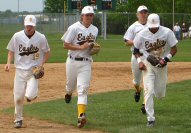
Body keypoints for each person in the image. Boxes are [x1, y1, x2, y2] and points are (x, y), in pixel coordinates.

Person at [4, 15, 50, 128]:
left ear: (34, 26)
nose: (29, 28)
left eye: (31, 26)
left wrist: (41, 65)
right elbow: (11, 51)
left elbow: (47, 52)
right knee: (18, 98)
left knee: (30, 95)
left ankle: (31, 95)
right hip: (19, 71)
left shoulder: (41, 37)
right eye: (27, 25)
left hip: (33, 72)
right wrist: (8, 63)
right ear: (24, 24)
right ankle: (18, 119)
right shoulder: (17, 36)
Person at [133, 13, 178, 127]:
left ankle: (158, 95)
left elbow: (174, 49)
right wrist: (140, 62)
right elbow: (136, 50)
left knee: (160, 94)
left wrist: (166, 59)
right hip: (148, 63)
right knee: (149, 90)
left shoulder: (167, 32)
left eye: (156, 26)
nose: (153, 28)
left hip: (162, 63)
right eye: (152, 26)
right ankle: (151, 119)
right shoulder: (141, 34)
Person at [61, 6, 98, 128]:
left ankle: (81, 115)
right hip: (72, 61)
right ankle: (68, 92)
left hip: (86, 62)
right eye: (86, 15)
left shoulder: (95, 29)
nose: (88, 17)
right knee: (70, 86)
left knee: (83, 89)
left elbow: (91, 45)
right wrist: (79, 48)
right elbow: (65, 45)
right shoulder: (74, 28)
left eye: (91, 15)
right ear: (82, 16)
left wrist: (94, 48)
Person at [123, 5, 149, 113]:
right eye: (141, 13)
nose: (143, 14)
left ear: (147, 14)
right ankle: (138, 90)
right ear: (137, 15)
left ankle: (145, 104)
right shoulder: (134, 27)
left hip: (148, 57)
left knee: (148, 82)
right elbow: (126, 41)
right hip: (136, 56)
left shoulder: (152, 25)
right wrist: (136, 42)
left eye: (145, 12)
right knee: (136, 81)